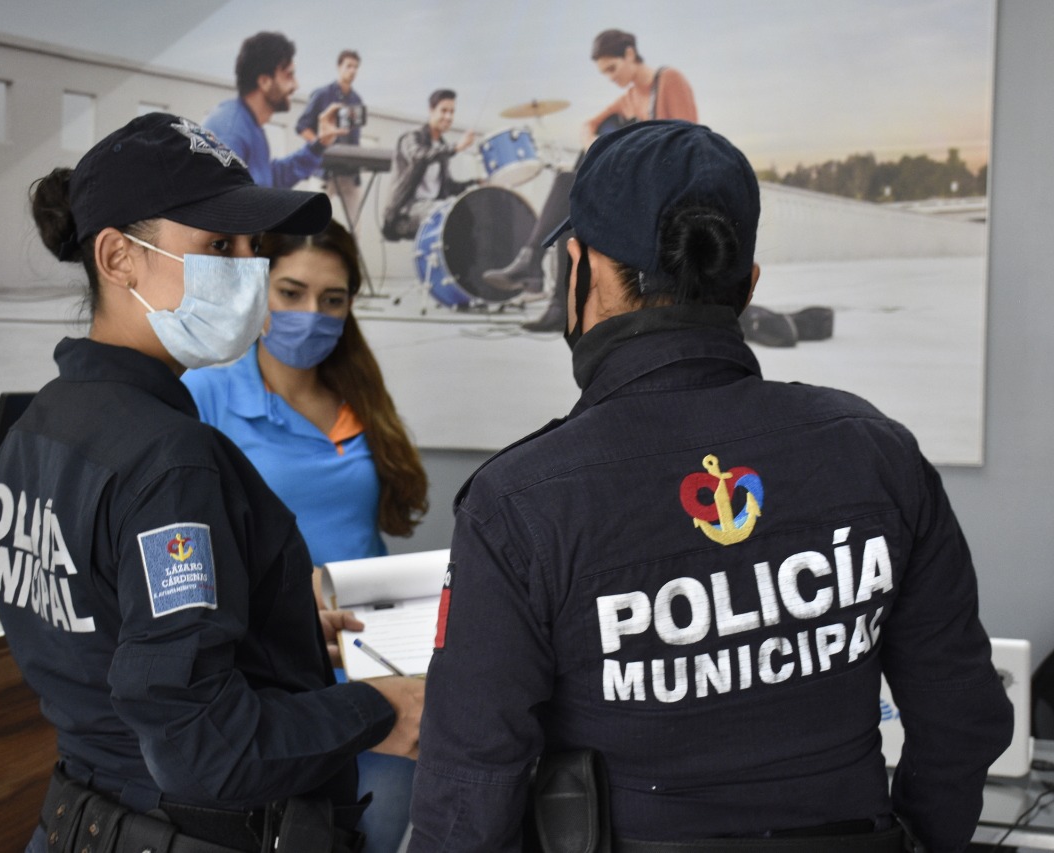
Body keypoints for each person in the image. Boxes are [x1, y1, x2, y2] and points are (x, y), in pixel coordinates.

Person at [408, 121, 1013, 852]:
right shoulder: (876, 454)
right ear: (747, 283)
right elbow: (965, 717)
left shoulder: (519, 504)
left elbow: (470, 791)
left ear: (583, 270)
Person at [0, 112, 423, 853]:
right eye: (219, 246)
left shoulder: (40, 427)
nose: (247, 269)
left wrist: (258, 617)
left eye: (254, 246)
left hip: (80, 819)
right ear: (119, 257)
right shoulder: (170, 459)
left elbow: (106, 628)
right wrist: (379, 708)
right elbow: (203, 745)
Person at [182, 219, 428, 853]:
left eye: (332, 300)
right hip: (274, 684)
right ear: (259, 290)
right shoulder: (203, 396)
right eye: (290, 293)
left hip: (376, 669)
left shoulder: (360, 399)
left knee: (380, 835)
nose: (310, 314)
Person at [488, 28, 698, 332]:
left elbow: (689, 145)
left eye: (612, 69)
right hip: (635, 192)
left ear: (629, 54)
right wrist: (594, 143)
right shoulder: (627, 98)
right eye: (605, 73)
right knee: (568, 211)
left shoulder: (668, 80)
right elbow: (588, 125)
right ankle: (560, 309)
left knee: (566, 186)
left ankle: (529, 259)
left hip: (664, 193)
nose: (611, 77)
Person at [203, 31, 345, 189]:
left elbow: (270, 180)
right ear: (264, 81)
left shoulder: (251, 126)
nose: (296, 85)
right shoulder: (230, 134)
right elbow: (224, 208)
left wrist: (320, 143)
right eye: (289, 75)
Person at [381, 89, 477, 241]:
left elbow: (447, 187)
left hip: (432, 208)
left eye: (452, 112)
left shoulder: (441, 145)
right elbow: (419, 156)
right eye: (444, 111)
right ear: (431, 110)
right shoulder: (412, 137)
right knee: (448, 211)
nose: (448, 116)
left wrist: (475, 183)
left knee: (468, 212)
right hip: (405, 213)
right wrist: (456, 147)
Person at [297, 51, 368, 226]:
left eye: (356, 67)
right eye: (348, 66)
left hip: (348, 173)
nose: (352, 71)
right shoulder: (322, 94)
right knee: (312, 224)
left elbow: (354, 137)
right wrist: (322, 146)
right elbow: (302, 126)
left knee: (356, 227)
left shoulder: (357, 100)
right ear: (339, 67)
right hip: (323, 171)